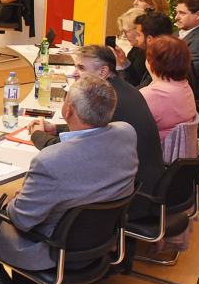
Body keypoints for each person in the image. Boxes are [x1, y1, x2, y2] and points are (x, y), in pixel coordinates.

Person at [0, 74, 137, 284]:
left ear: (68, 109)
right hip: (103, 241)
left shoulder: (51, 161)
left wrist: (18, 200)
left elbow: (21, 220)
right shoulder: (126, 133)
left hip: (56, 251)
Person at [28, 45, 164, 199]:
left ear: (103, 72)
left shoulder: (106, 101)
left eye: (81, 68)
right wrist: (56, 129)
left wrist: (38, 135)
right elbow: (90, 131)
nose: (74, 74)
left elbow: (72, 151)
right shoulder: (122, 91)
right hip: (144, 185)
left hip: (135, 197)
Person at [140, 35, 197, 142]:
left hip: (157, 154)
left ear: (152, 62)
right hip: (181, 151)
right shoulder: (185, 85)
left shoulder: (151, 95)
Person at [175, 0, 199, 118]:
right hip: (171, 95)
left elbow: (186, 73)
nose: (176, 17)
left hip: (189, 105)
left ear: (198, 15)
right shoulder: (176, 33)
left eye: (182, 13)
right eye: (177, 12)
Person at [115, 10, 174, 87]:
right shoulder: (138, 49)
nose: (124, 36)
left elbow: (142, 89)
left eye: (139, 34)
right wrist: (124, 61)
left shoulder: (162, 57)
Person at [112, 7, 149, 86]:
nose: (124, 35)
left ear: (138, 29)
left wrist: (119, 66)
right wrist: (124, 61)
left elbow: (135, 83)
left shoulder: (146, 52)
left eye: (126, 31)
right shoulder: (136, 48)